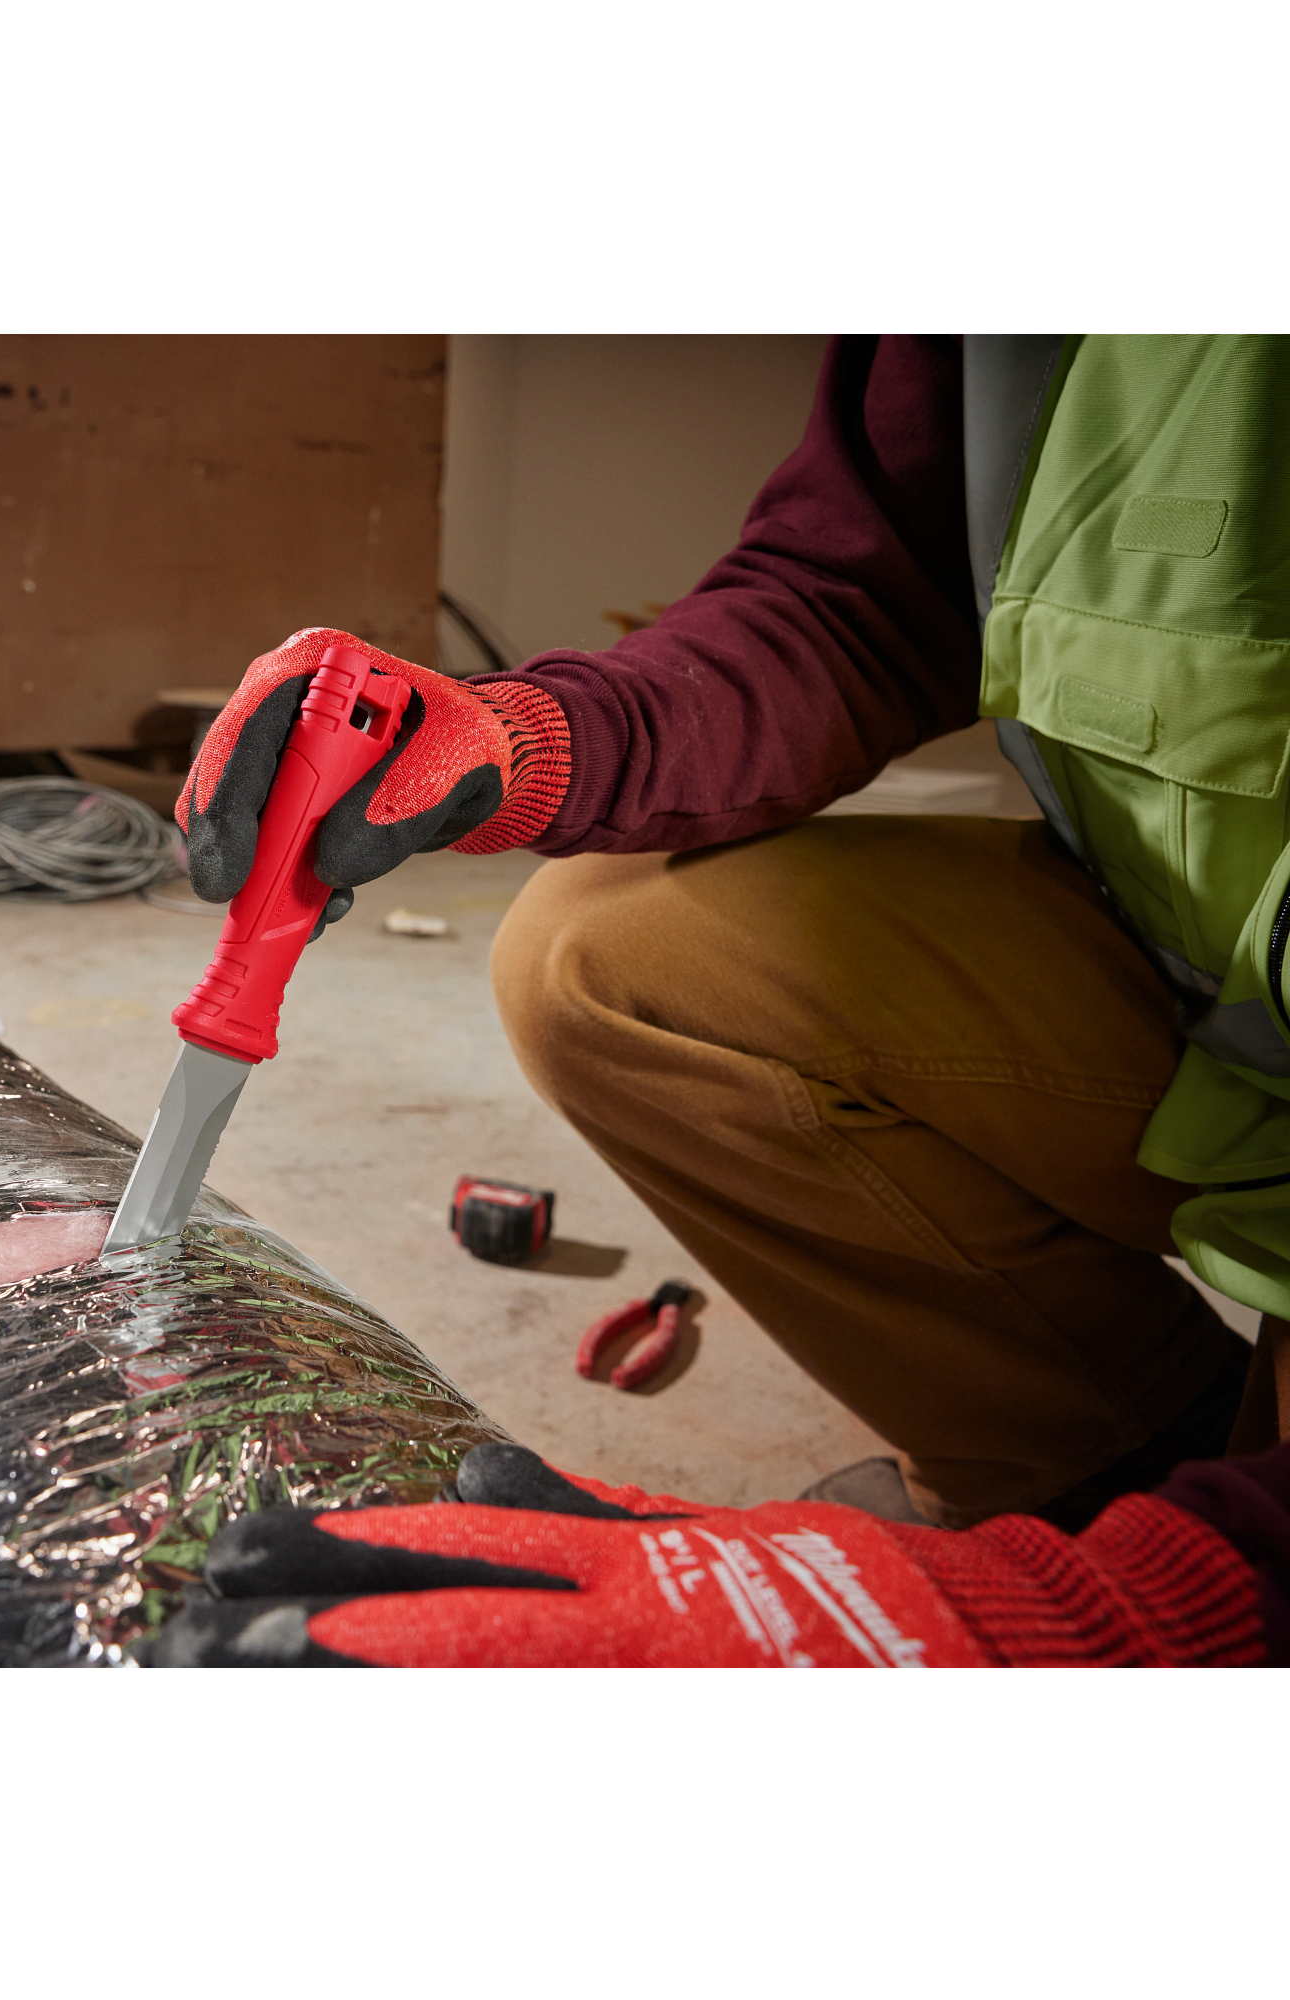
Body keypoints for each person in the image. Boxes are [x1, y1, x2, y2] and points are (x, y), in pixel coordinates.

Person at [151, 335, 1290, 1667]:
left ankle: (1163, 1537)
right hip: (1211, 984)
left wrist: (1136, 1613)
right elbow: (849, 600)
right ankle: (1110, 1459)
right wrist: (528, 740)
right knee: (611, 955)